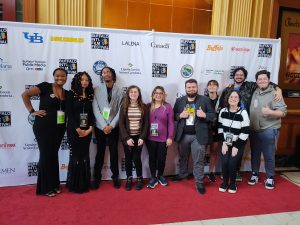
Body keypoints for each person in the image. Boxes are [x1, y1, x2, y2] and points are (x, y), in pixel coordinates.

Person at [218, 67, 282, 181]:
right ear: (234, 76)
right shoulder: (228, 89)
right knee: (226, 147)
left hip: (243, 123)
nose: (239, 76)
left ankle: (236, 171)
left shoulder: (251, 86)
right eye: (237, 74)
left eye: (241, 75)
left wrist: (278, 89)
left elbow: (265, 82)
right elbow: (222, 105)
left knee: (238, 147)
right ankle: (225, 171)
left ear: (245, 76)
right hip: (228, 123)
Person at [21, 68, 68, 197]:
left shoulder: (65, 93)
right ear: (54, 76)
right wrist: (32, 111)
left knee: (53, 155)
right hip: (44, 127)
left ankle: (54, 184)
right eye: (58, 76)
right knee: (46, 155)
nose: (60, 78)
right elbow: (25, 94)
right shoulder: (45, 86)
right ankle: (45, 187)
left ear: (66, 78)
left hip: (59, 128)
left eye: (63, 76)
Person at [173, 79, 216, 194]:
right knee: (183, 157)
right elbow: (173, 115)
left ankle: (199, 182)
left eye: (193, 87)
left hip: (199, 136)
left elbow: (213, 116)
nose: (191, 89)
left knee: (199, 160)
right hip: (183, 135)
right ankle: (182, 174)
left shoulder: (205, 100)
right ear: (185, 88)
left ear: (197, 88)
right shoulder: (179, 101)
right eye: (189, 87)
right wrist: (180, 115)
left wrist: (205, 115)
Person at [248, 70, 287, 190]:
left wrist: (270, 112)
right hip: (254, 129)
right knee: (254, 154)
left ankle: (270, 177)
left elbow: (283, 112)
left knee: (269, 155)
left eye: (265, 79)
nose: (262, 81)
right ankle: (255, 173)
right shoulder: (255, 90)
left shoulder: (275, 92)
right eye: (260, 79)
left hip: (269, 129)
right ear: (257, 81)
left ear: (269, 80)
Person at [92, 66, 123, 189]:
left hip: (113, 127)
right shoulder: (96, 90)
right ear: (102, 76)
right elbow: (95, 108)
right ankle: (96, 177)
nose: (106, 74)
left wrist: (112, 125)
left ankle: (115, 177)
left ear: (112, 74)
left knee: (114, 152)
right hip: (100, 127)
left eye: (108, 72)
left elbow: (121, 110)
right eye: (103, 72)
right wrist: (104, 125)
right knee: (99, 153)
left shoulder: (120, 91)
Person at [66, 72, 94, 193]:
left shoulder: (89, 94)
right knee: (76, 155)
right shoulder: (71, 93)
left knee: (84, 155)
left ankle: (85, 183)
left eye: (87, 80)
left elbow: (91, 114)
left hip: (87, 130)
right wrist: (77, 129)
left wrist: (90, 128)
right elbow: (69, 114)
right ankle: (75, 184)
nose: (84, 82)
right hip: (74, 130)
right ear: (78, 81)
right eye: (82, 79)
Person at [218, 90, 250, 194]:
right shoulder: (223, 111)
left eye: (236, 97)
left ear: (239, 100)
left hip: (238, 144)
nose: (233, 99)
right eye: (231, 97)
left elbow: (245, 132)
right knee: (224, 162)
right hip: (225, 143)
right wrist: (223, 143)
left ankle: (232, 183)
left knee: (232, 163)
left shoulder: (243, 113)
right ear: (227, 99)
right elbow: (219, 128)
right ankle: (224, 183)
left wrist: (236, 146)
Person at [119, 85, 149, 191]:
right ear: (128, 94)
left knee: (136, 157)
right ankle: (129, 178)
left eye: (135, 92)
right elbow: (121, 124)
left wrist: (142, 137)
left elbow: (146, 124)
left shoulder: (144, 107)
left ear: (138, 94)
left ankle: (139, 178)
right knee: (128, 158)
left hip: (139, 137)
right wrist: (126, 138)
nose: (133, 94)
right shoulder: (123, 106)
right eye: (131, 92)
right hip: (127, 137)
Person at [146, 86, 174, 189]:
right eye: (156, 93)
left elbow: (171, 123)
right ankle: (153, 177)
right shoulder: (148, 106)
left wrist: (170, 137)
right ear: (153, 95)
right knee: (152, 158)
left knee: (161, 158)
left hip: (163, 139)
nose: (158, 95)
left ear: (163, 95)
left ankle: (160, 175)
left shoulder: (168, 106)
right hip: (150, 138)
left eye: (160, 93)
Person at [205, 80, 221, 182]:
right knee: (201, 151)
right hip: (205, 129)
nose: (212, 87)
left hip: (217, 129)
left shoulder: (222, 100)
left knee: (213, 151)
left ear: (217, 87)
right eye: (210, 85)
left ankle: (211, 172)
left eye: (214, 85)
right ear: (207, 87)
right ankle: (200, 172)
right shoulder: (203, 99)